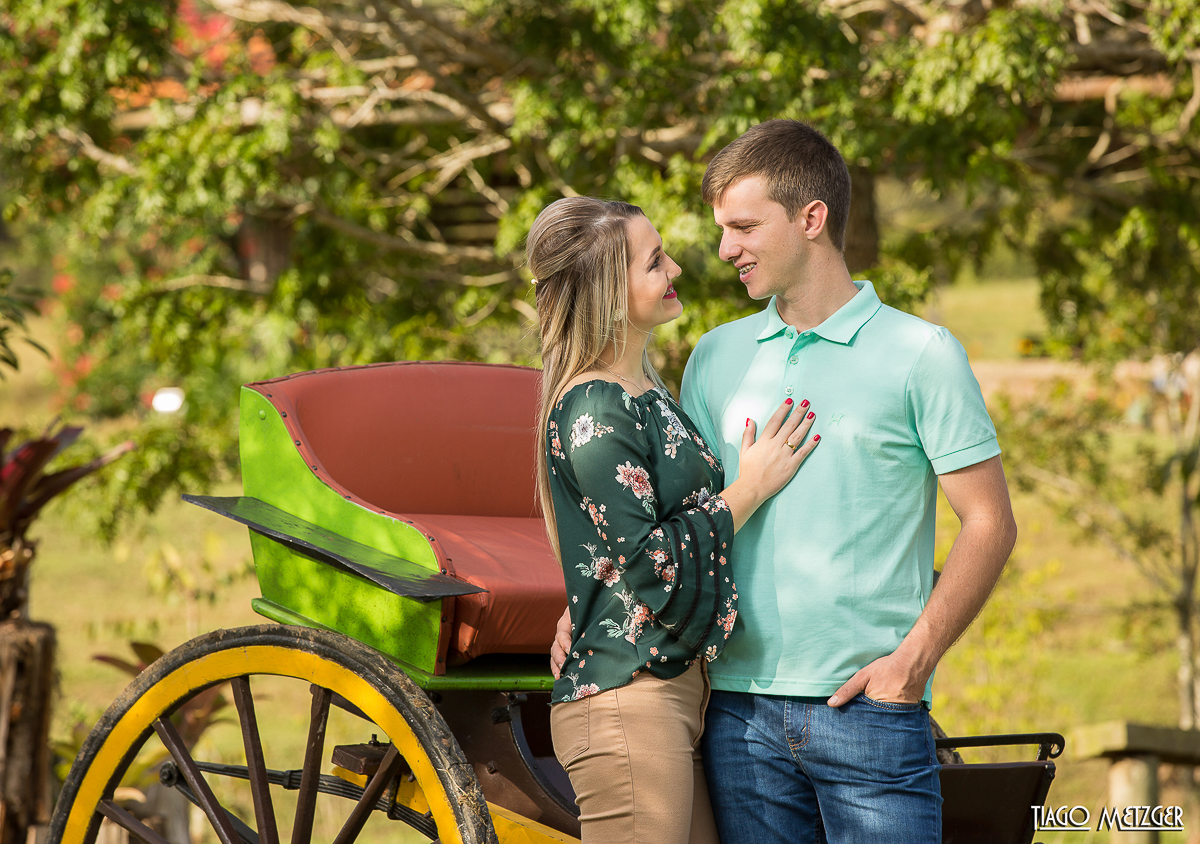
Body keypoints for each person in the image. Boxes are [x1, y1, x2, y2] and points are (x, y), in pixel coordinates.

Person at [552, 121, 1018, 843]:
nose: (723, 249)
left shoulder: (921, 354)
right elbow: (662, 515)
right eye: (719, 229)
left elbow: (989, 521)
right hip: (735, 716)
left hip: (868, 711)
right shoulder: (714, 357)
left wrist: (913, 661)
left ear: (811, 219)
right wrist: (589, 600)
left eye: (742, 225)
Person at [529, 195, 820, 844]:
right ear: (609, 292)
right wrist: (751, 488)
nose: (678, 268)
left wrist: (586, 599)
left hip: (667, 694)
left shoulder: (648, 393)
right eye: (655, 262)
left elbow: (622, 547)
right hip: (627, 701)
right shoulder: (594, 410)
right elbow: (651, 561)